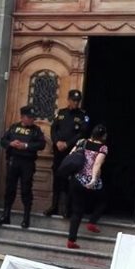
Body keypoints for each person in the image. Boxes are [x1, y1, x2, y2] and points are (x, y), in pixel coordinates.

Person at [0, 106, 46, 229]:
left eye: (33, 118)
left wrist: (26, 145)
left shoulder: (36, 130)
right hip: (13, 161)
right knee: (10, 189)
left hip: (27, 163)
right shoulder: (13, 128)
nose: (32, 120)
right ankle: (6, 215)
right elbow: (3, 141)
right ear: (22, 117)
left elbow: (41, 144)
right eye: (29, 117)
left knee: (26, 190)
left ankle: (26, 218)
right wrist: (10, 144)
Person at [46, 89, 90, 218]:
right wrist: (57, 141)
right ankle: (54, 206)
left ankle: (67, 208)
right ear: (69, 100)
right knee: (57, 178)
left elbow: (82, 133)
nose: (75, 103)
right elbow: (53, 129)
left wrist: (67, 144)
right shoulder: (61, 113)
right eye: (73, 100)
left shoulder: (83, 116)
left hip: (71, 153)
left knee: (70, 180)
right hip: (58, 152)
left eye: (77, 101)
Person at [67, 124, 107, 250]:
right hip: (89, 180)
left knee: (77, 211)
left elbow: (71, 156)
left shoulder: (81, 142)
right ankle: (92, 221)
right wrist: (94, 179)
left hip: (76, 179)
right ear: (103, 136)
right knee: (104, 199)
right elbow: (97, 164)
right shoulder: (103, 148)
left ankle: (71, 240)